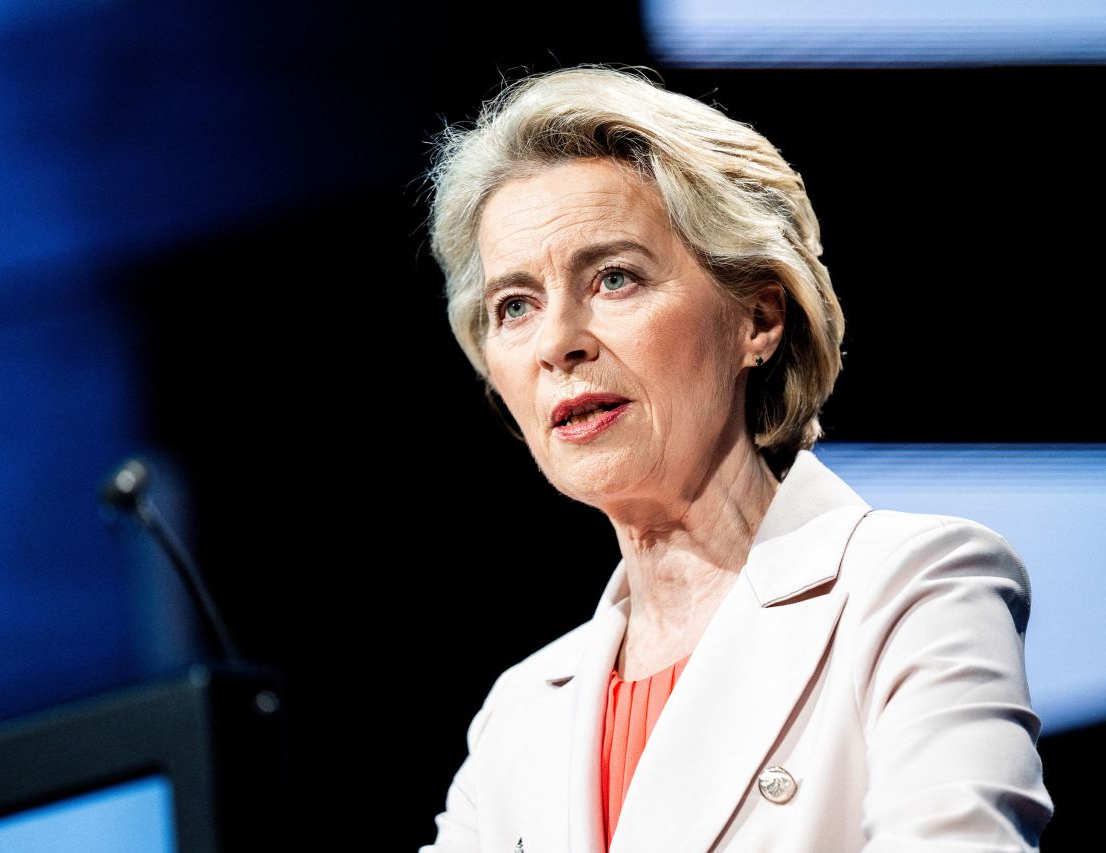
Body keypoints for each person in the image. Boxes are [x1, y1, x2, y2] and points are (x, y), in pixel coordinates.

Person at [418, 65, 1053, 852]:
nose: (557, 344)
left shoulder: (914, 587)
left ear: (757, 316)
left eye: (613, 277)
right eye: (515, 305)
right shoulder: (519, 714)